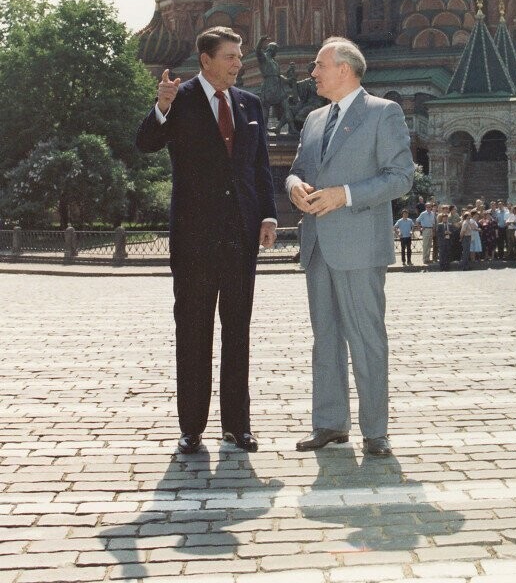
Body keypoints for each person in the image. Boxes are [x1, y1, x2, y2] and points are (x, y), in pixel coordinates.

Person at [136, 27, 277, 455]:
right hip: (194, 240)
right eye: (231, 56)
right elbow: (145, 144)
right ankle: (191, 428)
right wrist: (160, 106)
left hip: (241, 238)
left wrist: (268, 214)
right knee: (194, 332)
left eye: (239, 56)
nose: (238, 63)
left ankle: (238, 425)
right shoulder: (178, 100)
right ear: (206, 60)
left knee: (238, 332)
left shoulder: (250, 103)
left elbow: (260, 166)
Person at [286, 37, 413, 457]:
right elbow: (299, 170)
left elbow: (400, 178)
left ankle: (375, 431)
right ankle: (329, 423)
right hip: (318, 245)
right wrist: (294, 187)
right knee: (325, 338)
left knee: (366, 338)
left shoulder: (384, 112)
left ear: (345, 69)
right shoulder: (314, 119)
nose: (313, 72)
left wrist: (346, 194)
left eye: (319, 65)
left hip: (359, 245)